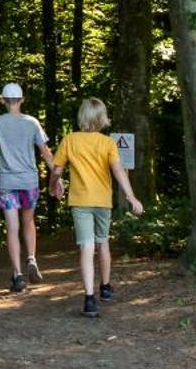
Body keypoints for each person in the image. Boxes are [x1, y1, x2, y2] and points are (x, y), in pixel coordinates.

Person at [50, 97, 144, 318]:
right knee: (102, 243)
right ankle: (105, 286)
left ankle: (89, 299)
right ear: (102, 118)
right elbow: (119, 170)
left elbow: (56, 170)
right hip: (103, 201)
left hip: (80, 201)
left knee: (86, 247)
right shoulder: (107, 143)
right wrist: (131, 197)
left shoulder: (70, 140)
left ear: (81, 116)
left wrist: (53, 186)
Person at [0, 81, 55, 293]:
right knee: (29, 221)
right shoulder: (32, 122)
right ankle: (31, 258)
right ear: (22, 100)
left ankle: (18, 274)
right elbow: (46, 153)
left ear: (3, 100)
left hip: (7, 183)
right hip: (29, 181)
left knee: (12, 228)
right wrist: (56, 176)